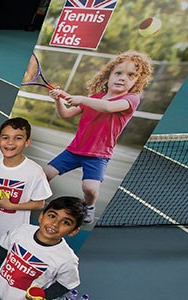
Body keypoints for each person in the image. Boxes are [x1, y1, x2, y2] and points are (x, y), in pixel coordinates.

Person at [46, 51, 153, 224]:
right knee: (45, 174)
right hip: (74, 150)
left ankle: (89, 207)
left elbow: (108, 107)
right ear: (108, 76)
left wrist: (81, 98)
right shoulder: (93, 98)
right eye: (118, 73)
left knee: (90, 189)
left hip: (98, 155)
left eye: (131, 75)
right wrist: (58, 100)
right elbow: (65, 114)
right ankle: (35, 198)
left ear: (137, 81)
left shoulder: (131, 99)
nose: (122, 78)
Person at [0, 117, 52, 277]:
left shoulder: (34, 171)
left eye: (18, 138)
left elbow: (39, 203)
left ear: (27, 142)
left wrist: (12, 206)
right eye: (5, 137)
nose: (10, 143)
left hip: (10, 235)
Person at [0, 196, 86, 300]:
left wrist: (44, 296)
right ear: (41, 216)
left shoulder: (68, 260)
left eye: (66, 222)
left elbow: (66, 284)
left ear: (73, 231)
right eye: (52, 216)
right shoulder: (21, 230)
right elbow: (4, 249)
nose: (55, 224)